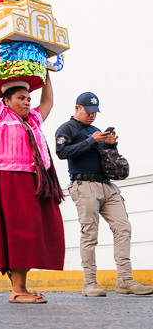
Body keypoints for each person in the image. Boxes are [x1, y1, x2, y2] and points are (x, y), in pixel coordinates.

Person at [0, 45, 64, 304]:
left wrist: (47, 72)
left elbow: (47, 102)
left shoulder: (34, 120)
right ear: (7, 100)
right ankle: (17, 291)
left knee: (36, 231)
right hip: (10, 180)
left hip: (36, 180)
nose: (27, 102)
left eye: (28, 98)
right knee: (19, 234)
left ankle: (21, 287)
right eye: (21, 98)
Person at [55, 92, 153, 296]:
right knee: (90, 234)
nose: (92, 116)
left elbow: (105, 159)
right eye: (89, 111)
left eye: (95, 112)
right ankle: (89, 283)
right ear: (77, 108)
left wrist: (110, 145)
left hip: (106, 185)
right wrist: (91, 140)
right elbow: (62, 153)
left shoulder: (95, 130)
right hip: (84, 185)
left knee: (123, 227)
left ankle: (125, 280)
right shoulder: (66, 128)